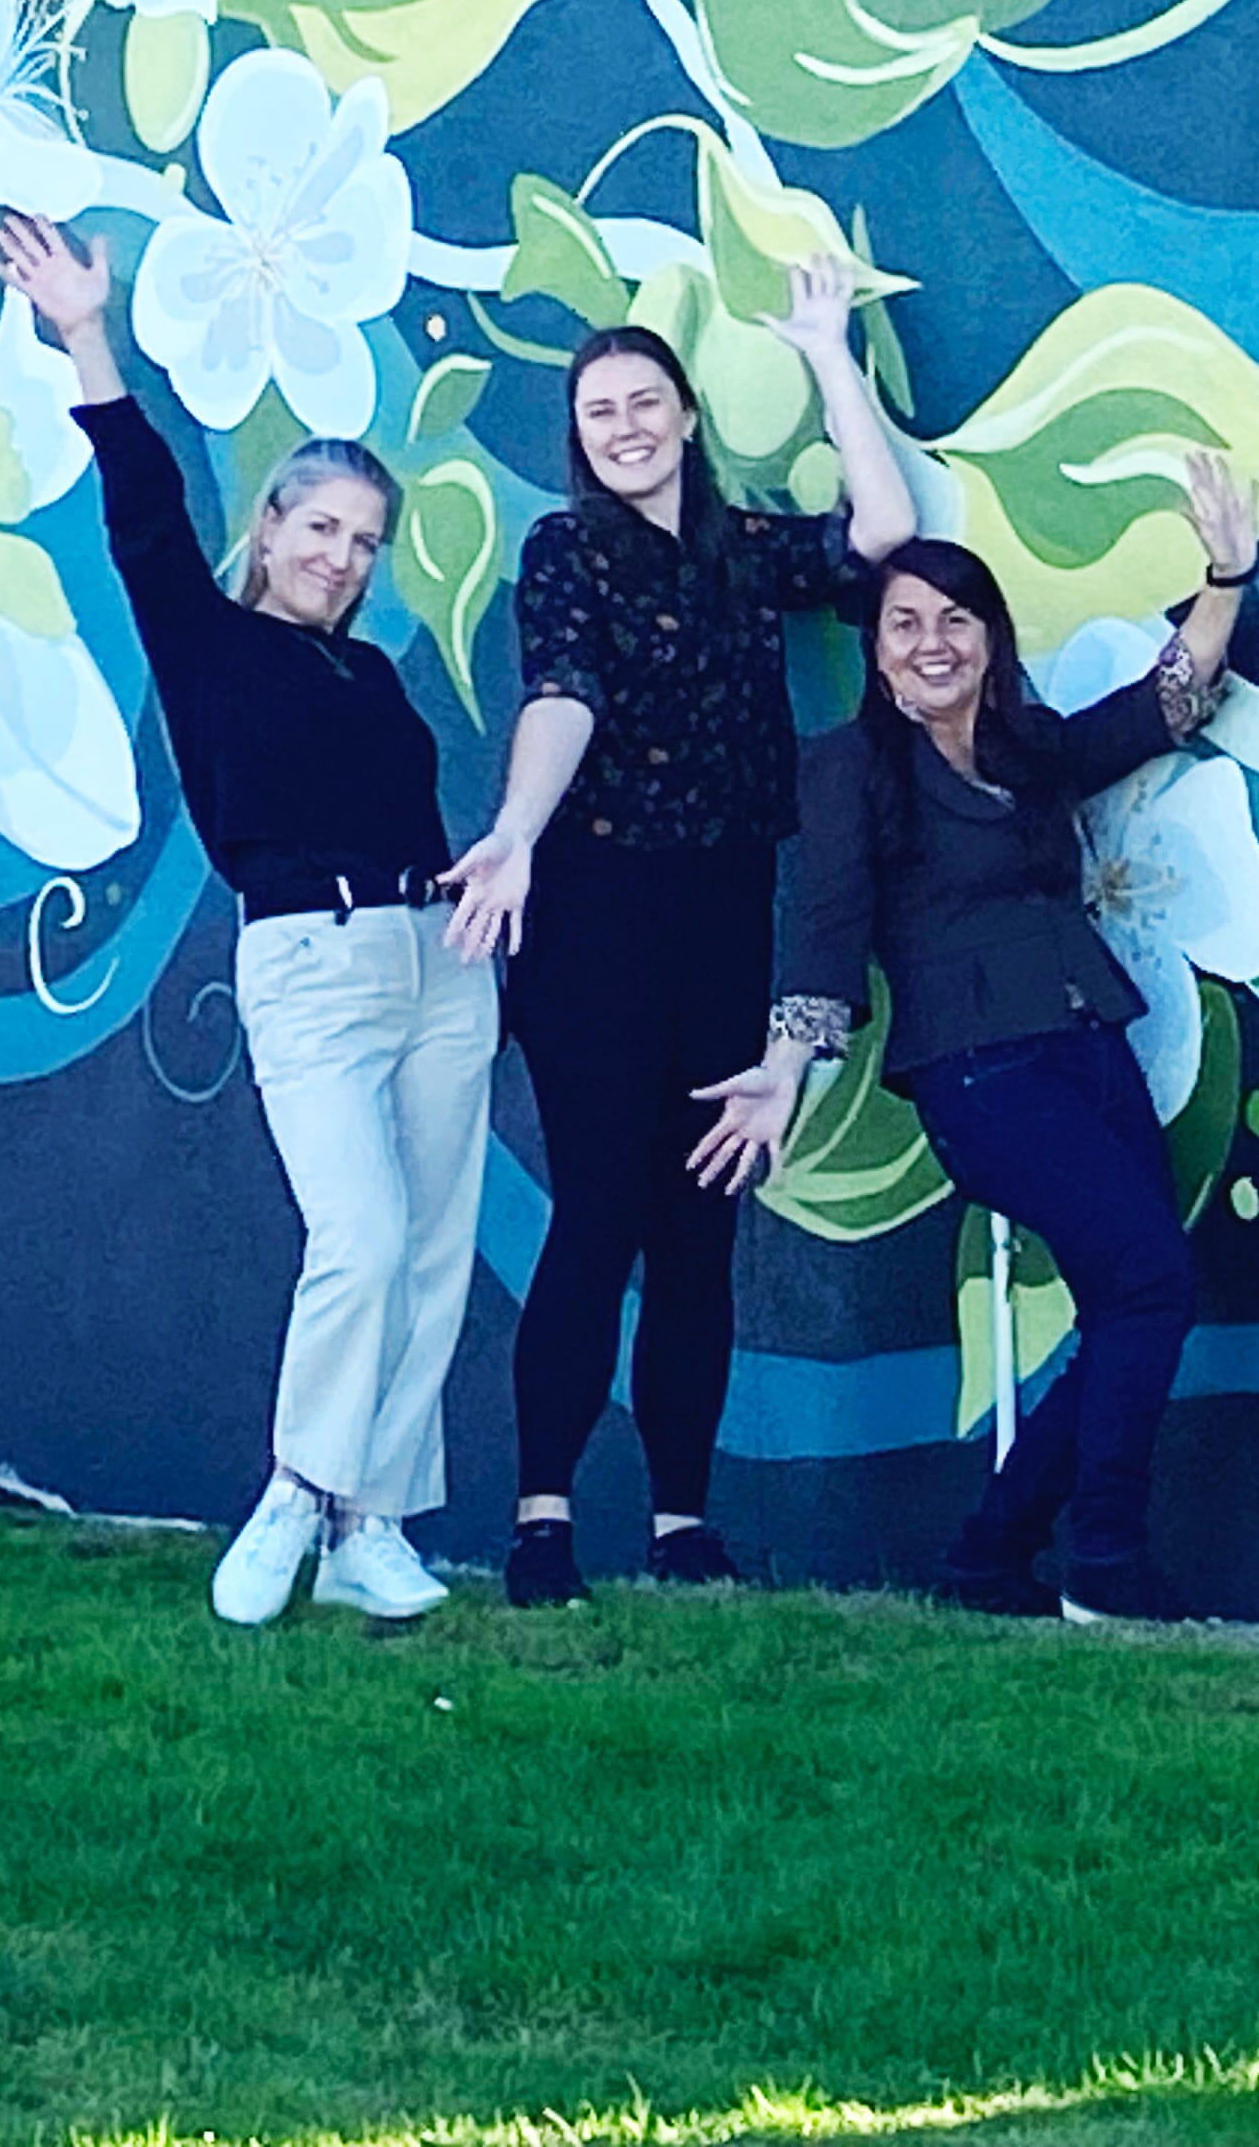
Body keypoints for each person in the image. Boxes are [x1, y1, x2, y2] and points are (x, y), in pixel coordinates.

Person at [0, 209, 491, 1629]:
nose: (343, 557)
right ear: (269, 528)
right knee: (364, 1237)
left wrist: (463, 884)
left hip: (435, 967)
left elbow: (414, 827)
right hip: (308, 964)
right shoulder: (207, 639)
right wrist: (88, 332)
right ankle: (295, 1491)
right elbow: (140, 500)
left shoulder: (375, 682)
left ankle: (370, 1526)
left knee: (434, 1250)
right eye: (322, 527)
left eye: (366, 542)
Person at [692, 455, 1259, 1625]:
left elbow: (1162, 703)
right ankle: (1103, 1561)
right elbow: (830, 925)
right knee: (1152, 1278)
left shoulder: (1025, 748)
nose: (930, 643)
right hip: (982, 1076)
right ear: (878, 649)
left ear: (992, 641)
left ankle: (988, 1555)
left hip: (1091, 1052)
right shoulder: (851, 768)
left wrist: (1227, 571)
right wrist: (786, 1066)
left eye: (955, 620)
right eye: (904, 624)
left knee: (1130, 1301)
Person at [439, 271, 915, 1604]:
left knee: (701, 1220)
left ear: (690, 417)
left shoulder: (743, 550)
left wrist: (827, 350)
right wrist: (520, 830)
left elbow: (882, 531)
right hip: (592, 915)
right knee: (598, 1214)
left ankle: (681, 1525)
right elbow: (565, 699)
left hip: (720, 910)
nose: (626, 427)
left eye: (646, 402)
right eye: (600, 412)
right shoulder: (566, 553)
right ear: (577, 438)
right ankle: (543, 1522)